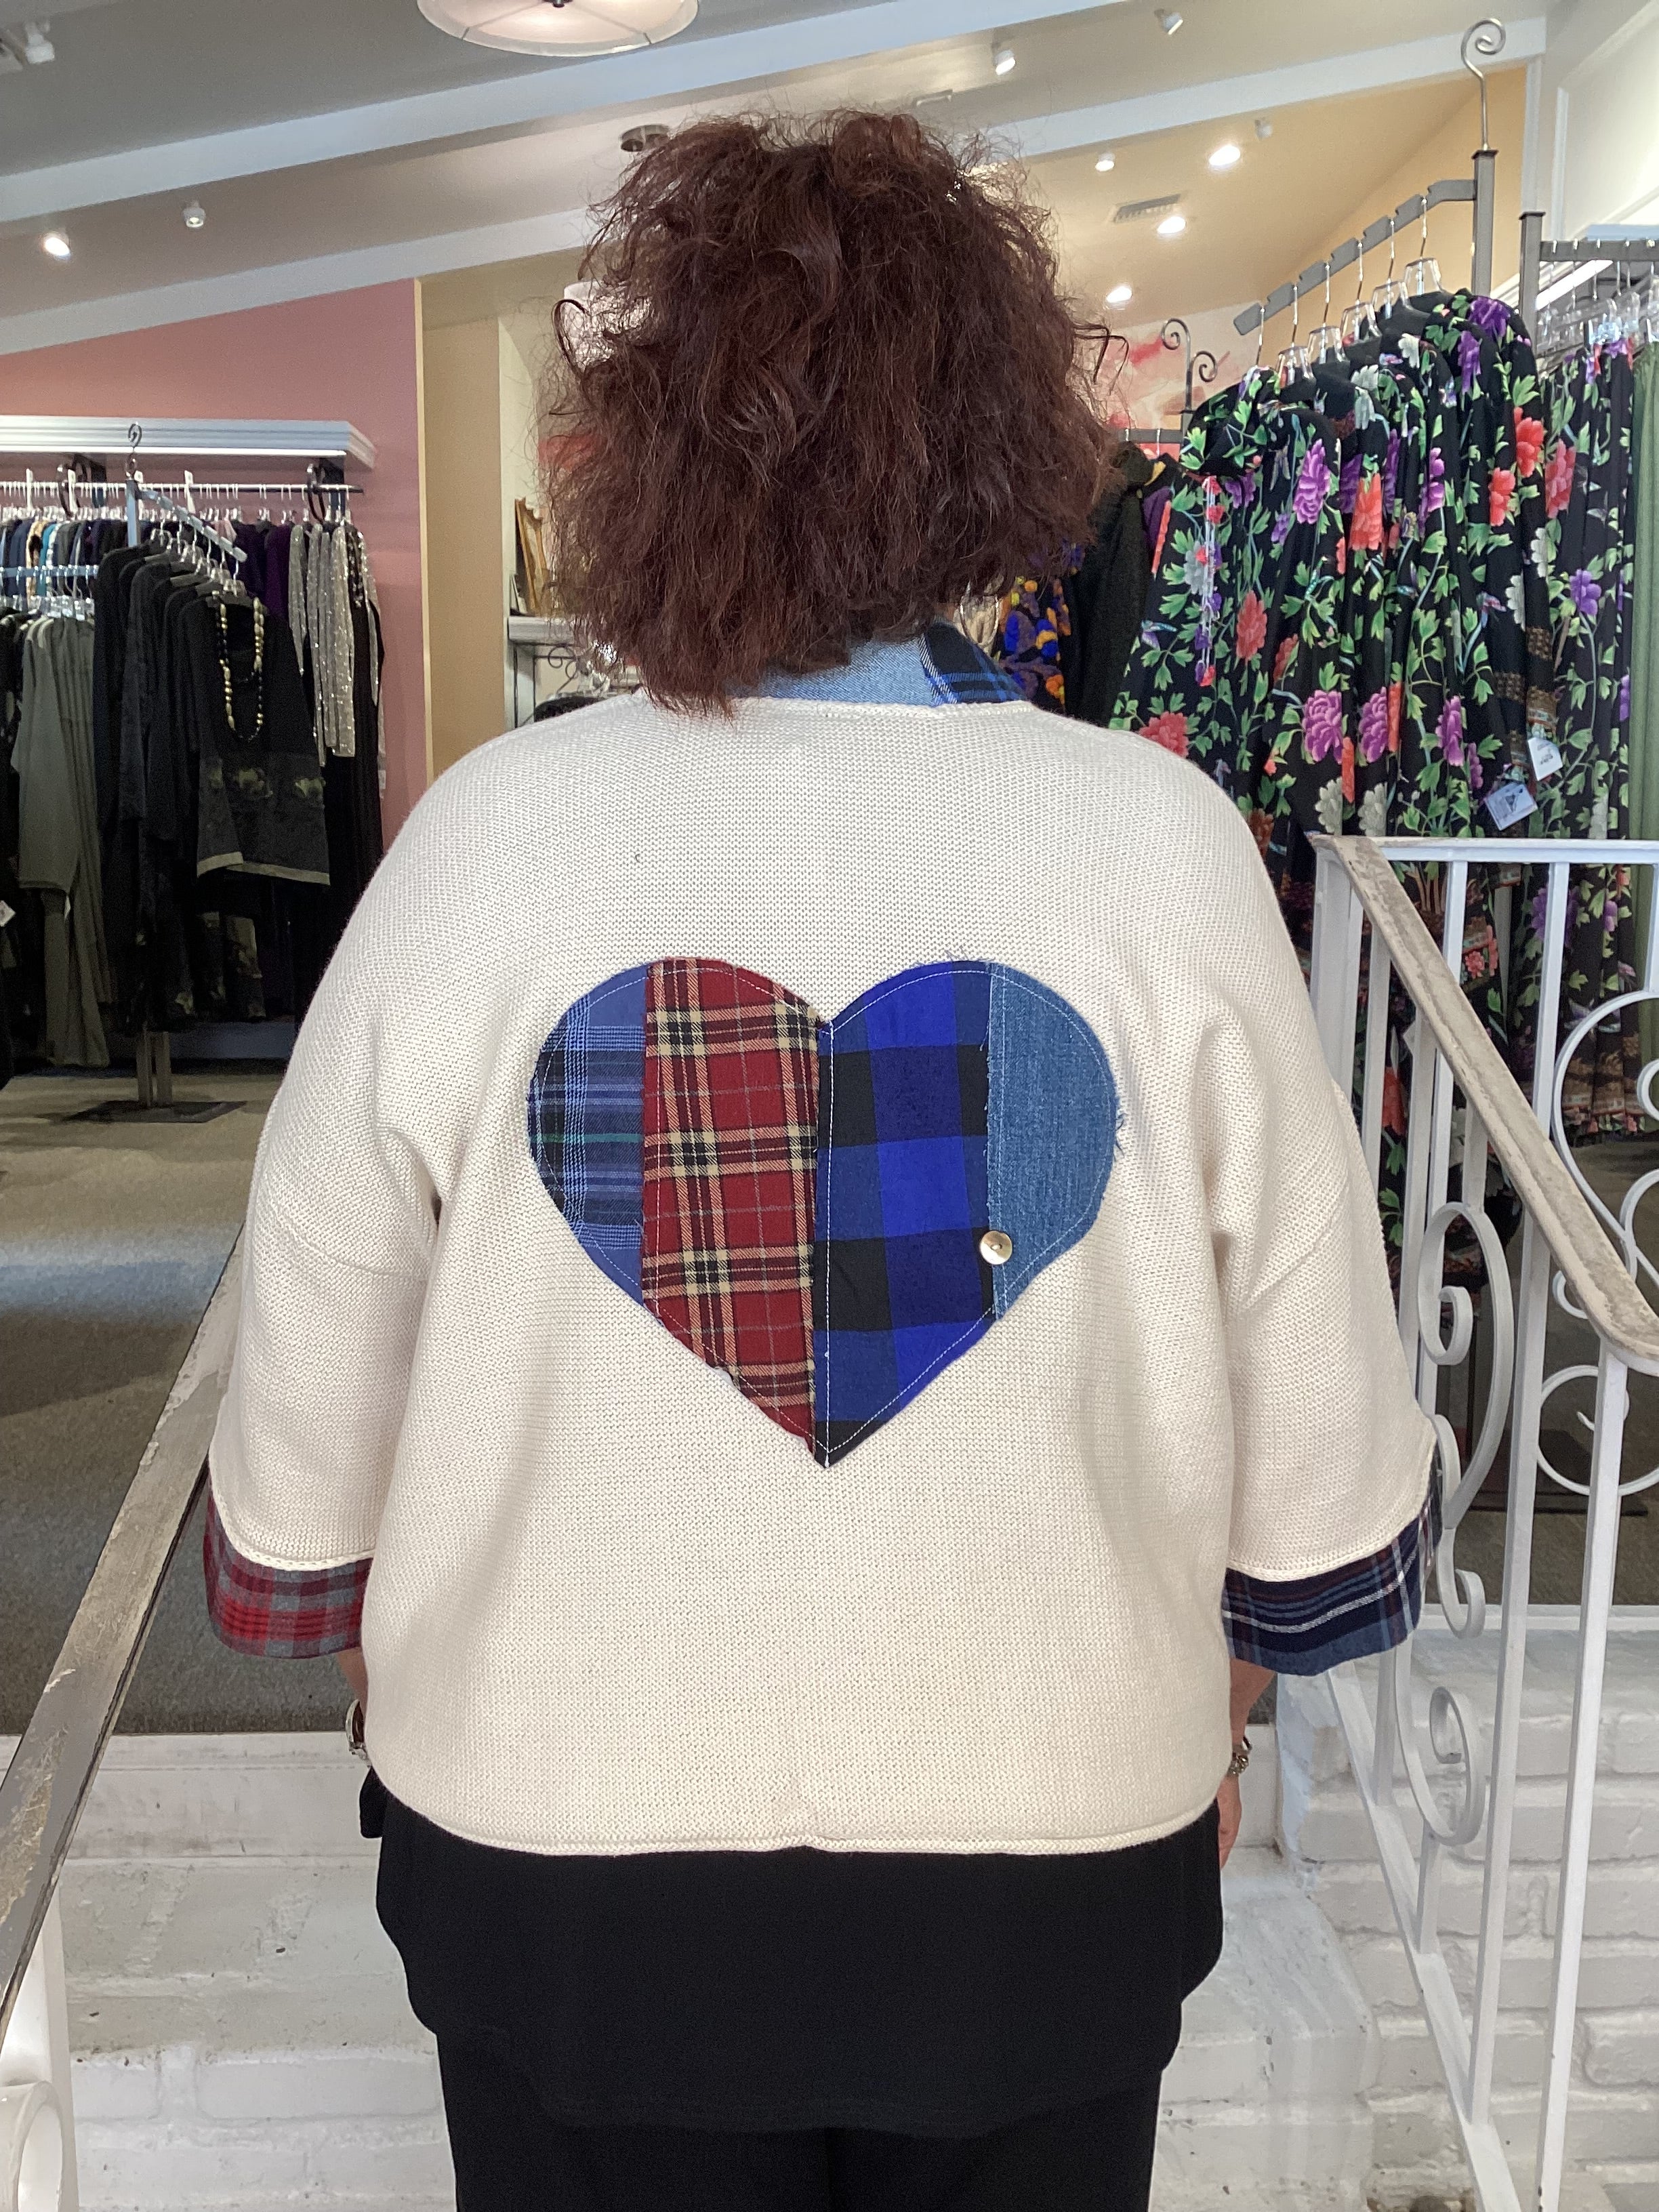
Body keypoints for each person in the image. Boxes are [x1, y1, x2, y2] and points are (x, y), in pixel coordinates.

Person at [205, 111, 1435, 2212]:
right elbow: (1311, 1395)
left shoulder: (492, 836)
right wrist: (1225, 1686)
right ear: (997, 442)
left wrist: (340, 1598)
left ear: (638, 449)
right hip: (1051, 1845)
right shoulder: (1155, 846)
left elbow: (317, 1316)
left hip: (563, 1852)